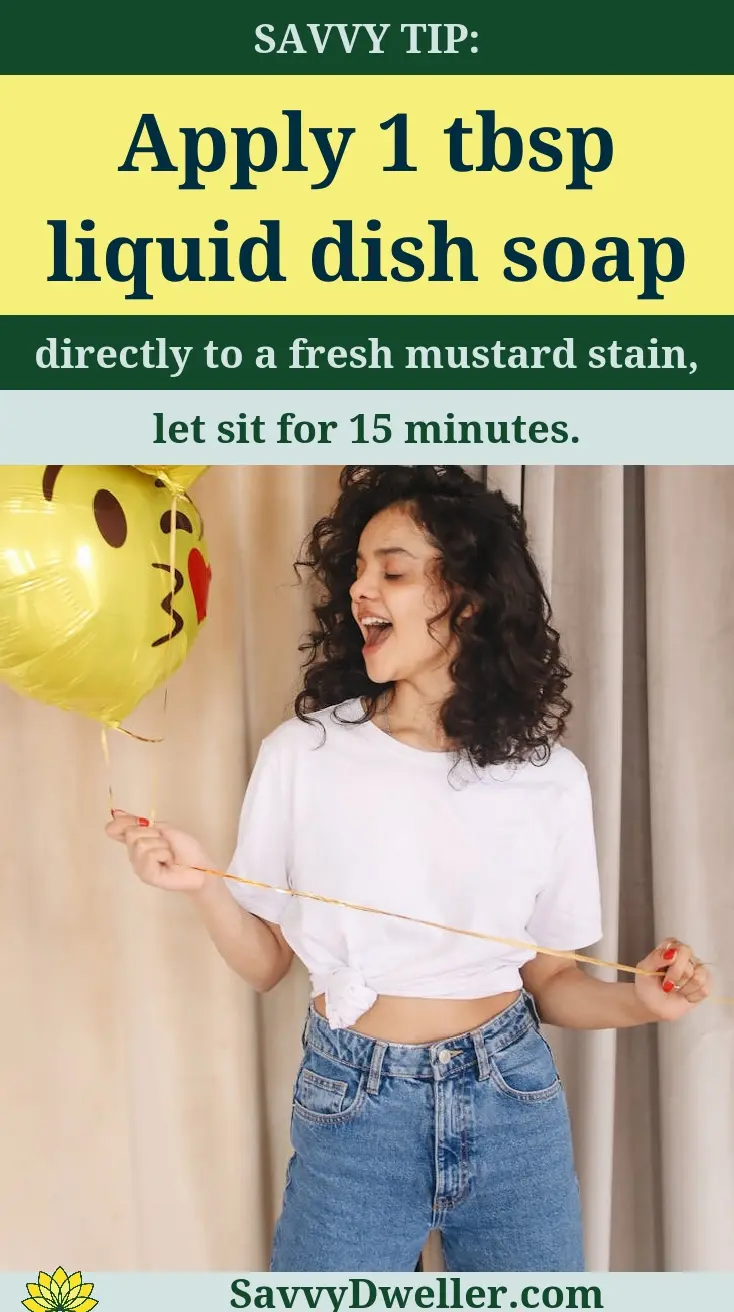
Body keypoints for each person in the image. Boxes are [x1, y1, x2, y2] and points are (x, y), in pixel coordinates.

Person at [107, 465, 710, 1273]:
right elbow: (264, 965)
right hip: (354, 1102)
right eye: (356, 571)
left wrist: (642, 1003)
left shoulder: (550, 776)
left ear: (466, 597)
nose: (361, 590)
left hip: (512, 1100)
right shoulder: (303, 755)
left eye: (391, 570)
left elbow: (554, 984)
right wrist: (205, 885)